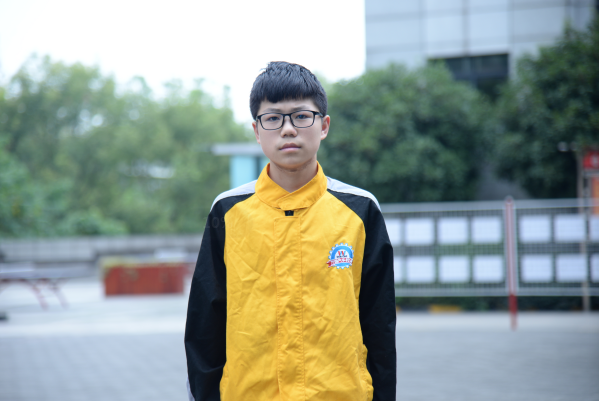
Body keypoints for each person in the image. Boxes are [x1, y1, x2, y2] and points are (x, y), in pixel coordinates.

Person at [185, 61, 396, 401]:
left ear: (324, 125)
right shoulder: (227, 211)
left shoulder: (360, 210)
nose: (287, 129)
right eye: (272, 118)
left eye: (301, 116)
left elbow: (379, 323)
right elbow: (204, 325)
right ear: (257, 131)